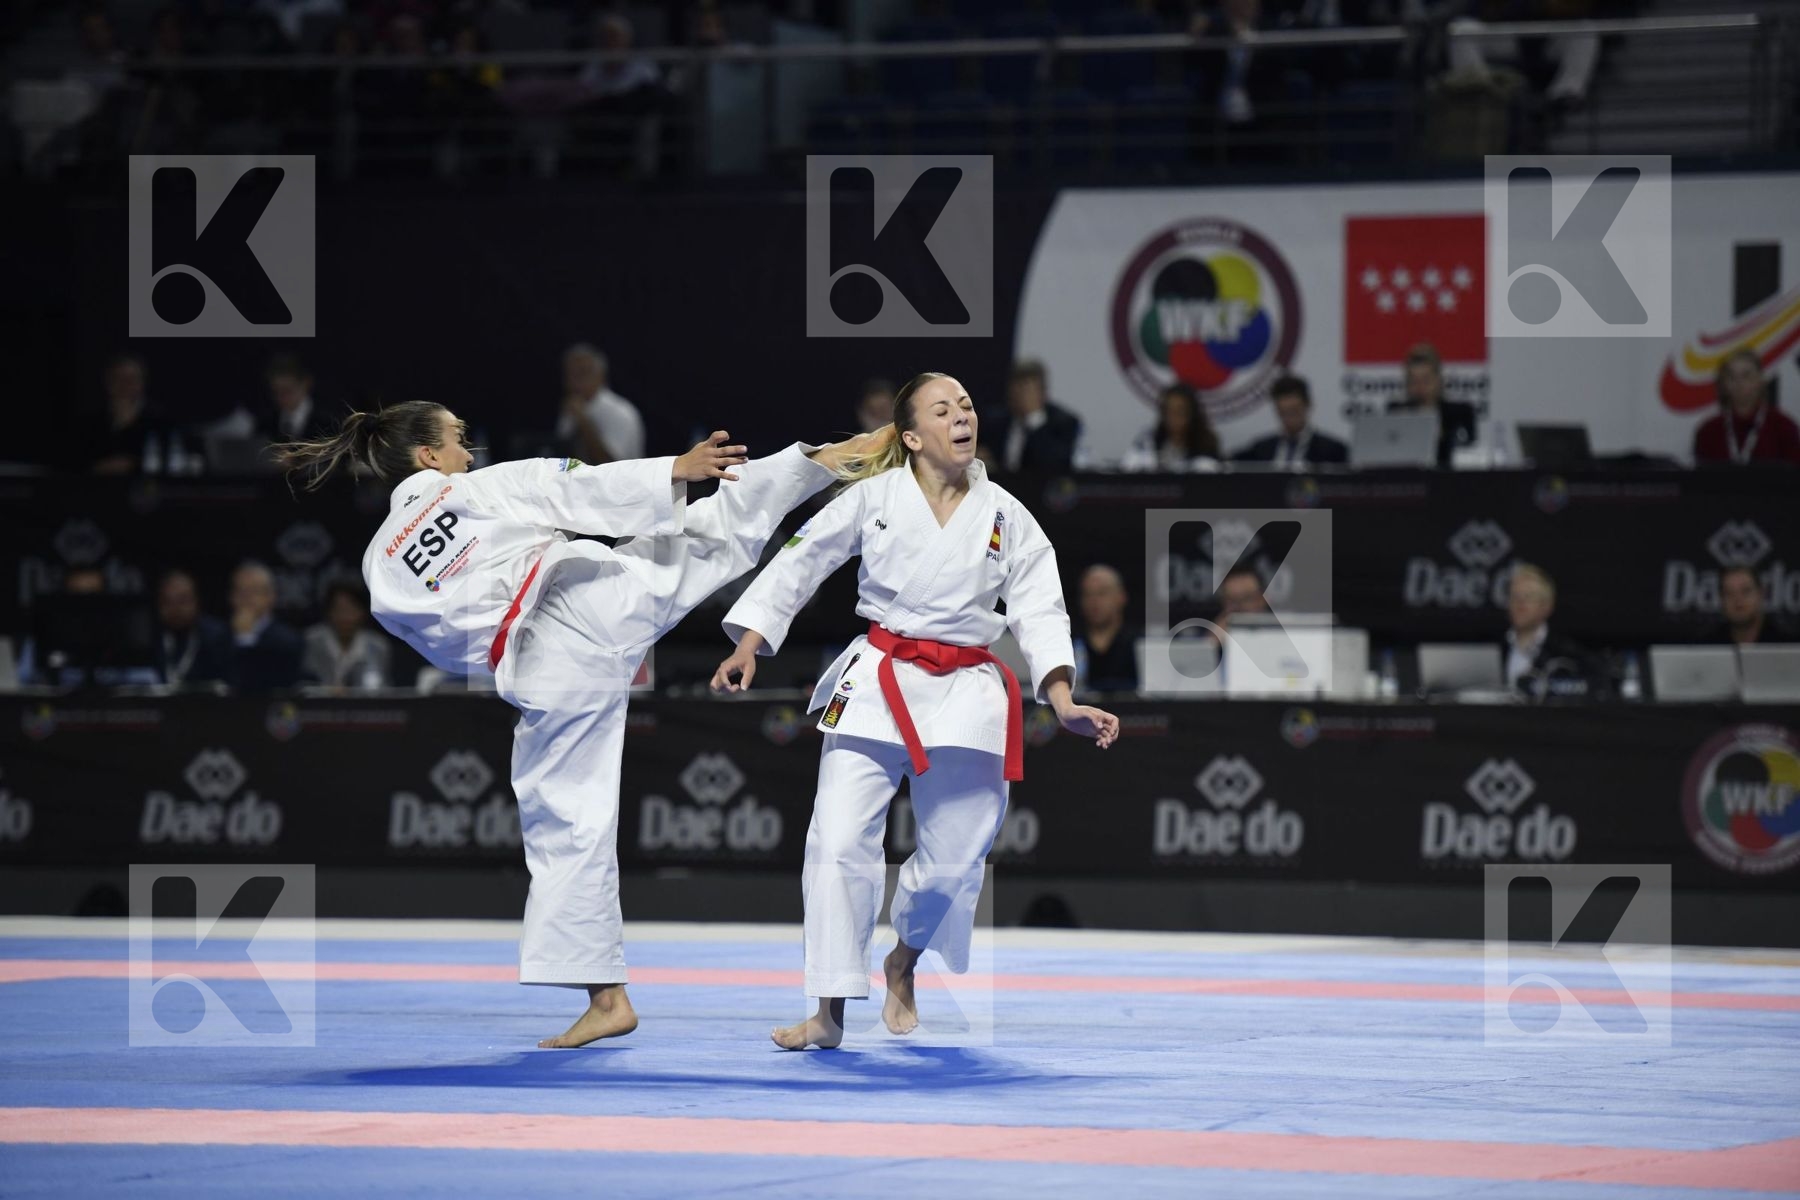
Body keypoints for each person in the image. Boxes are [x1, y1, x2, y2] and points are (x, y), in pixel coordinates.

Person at [276, 400, 873, 1049]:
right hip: (590, 596)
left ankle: (607, 998)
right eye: (457, 439)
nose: (467, 452)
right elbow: (570, 487)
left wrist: (509, 654)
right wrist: (672, 468)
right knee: (701, 539)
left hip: (546, 665)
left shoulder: (379, 571)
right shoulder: (476, 489)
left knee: (568, 824)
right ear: (427, 458)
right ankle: (813, 463)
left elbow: (444, 646)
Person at [710, 372, 1120, 1051]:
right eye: (942, 409)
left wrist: (1062, 696)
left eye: (965, 404)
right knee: (838, 842)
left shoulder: (1005, 514)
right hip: (879, 679)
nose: (962, 415)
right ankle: (828, 1009)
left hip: (967, 691)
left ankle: (905, 957)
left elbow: (1040, 605)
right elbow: (802, 559)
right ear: (910, 436)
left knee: (958, 860)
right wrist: (752, 642)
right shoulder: (873, 496)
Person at [1501, 563, 1596, 697]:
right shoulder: (1495, 647)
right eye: (1514, 596)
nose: (1520, 603)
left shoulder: (1567, 653)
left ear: (1547, 605)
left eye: (1528, 597)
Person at [1693, 348, 1800, 466]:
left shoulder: (1784, 427)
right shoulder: (1708, 431)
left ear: (1760, 380)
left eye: (1746, 376)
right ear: (1723, 384)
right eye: (1731, 376)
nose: (1739, 382)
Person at [1387, 343, 1478, 468]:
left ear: (1438, 380)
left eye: (1426, 380)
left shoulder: (1460, 413)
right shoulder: (1397, 412)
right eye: (1414, 381)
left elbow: (1468, 453)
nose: (1420, 387)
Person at [986, 359, 1083, 474]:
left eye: (1025, 389)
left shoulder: (1064, 424)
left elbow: (1053, 466)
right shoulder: (995, 421)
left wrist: (1032, 418)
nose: (1018, 395)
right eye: (1015, 387)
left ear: (1042, 393)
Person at [87, 356, 179, 475]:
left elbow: (172, 460)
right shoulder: (91, 421)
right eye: (119, 378)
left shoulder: (159, 420)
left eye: (132, 379)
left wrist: (133, 464)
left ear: (142, 382)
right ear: (108, 382)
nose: (125, 384)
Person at [556, 343, 646, 465]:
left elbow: (610, 464)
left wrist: (583, 422)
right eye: (570, 375)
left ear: (600, 375)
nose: (575, 382)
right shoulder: (571, 409)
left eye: (583, 374)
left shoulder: (620, 412)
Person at [1234, 375, 1349, 467]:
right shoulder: (1260, 450)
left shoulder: (1332, 451)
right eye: (1283, 413)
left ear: (1307, 405)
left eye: (1294, 411)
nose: (1289, 419)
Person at [153, 569, 236, 689]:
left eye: (182, 601)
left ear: (196, 601)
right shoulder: (156, 637)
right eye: (167, 602)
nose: (175, 609)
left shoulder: (216, 636)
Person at [301, 580, 393, 689]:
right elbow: (305, 685)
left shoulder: (378, 646)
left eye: (351, 609)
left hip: (364, 705)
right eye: (339, 609)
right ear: (329, 612)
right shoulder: (312, 642)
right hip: (320, 705)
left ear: (362, 612)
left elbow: (384, 689)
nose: (345, 616)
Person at [230, 561, 304, 693]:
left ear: (271, 596)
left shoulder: (287, 641)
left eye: (254, 591)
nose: (246, 598)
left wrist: (245, 638)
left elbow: (253, 684)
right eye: (241, 591)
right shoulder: (218, 636)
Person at [1120, 383, 1221, 472]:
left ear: (1192, 413)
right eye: (1168, 411)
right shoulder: (1148, 440)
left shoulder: (1207, 443)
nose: (1173, 416)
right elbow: (1128, 466)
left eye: (1180, 410)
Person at [1075, 564, 1139, 693]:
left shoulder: (1139, 643)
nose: (1094, 601)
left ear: (1121, 597)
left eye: (1102, 593)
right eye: (1088, 595)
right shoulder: (1069, 641)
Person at [257, 356, 337, 446]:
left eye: (287, 390)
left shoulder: (328, 423)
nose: (281, 397)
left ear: (306, 383)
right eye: (276, 392)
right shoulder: (265, 424)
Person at [1711, 566, 1793, 645]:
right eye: (1729, 593)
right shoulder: (1707, 645)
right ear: (1721, 599)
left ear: (1761, 594)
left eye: (1746, 591)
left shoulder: (1788, 645)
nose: (1738, 599)